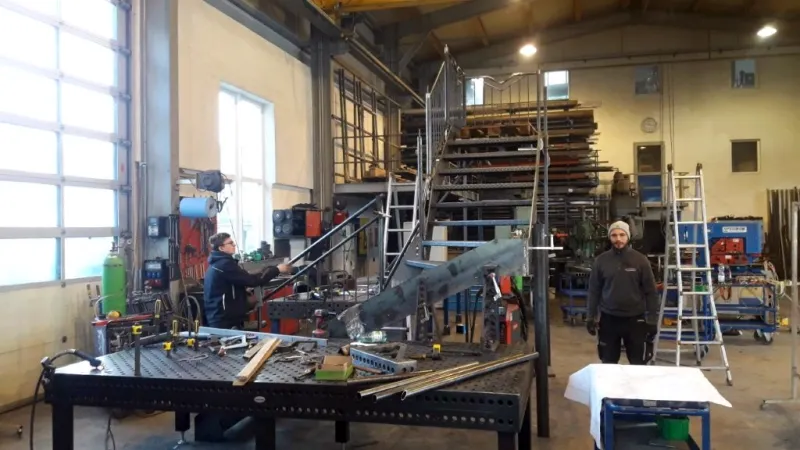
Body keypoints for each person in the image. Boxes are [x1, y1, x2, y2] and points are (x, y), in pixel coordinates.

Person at [586, 221, 659, 365]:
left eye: (622, 235)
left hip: (635, 320)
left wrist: (652, 319)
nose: (618, 239)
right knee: (608, 363)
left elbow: (651, 292)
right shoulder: (601, 261)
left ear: (628, 236)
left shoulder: (640, 260)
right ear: (610, 237)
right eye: (614, 235)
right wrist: (590, 317)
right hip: (609, 320)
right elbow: (594, 291)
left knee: (638, 363)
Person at [203, 232, 293, 329]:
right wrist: (277, 270)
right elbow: (252, 280)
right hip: (224, 320)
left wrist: (242, 290)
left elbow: (231, 284)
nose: (234, 245)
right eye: (230, 243)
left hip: (221, 316)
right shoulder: (224, 265)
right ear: (221, 248)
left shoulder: (218, 263)